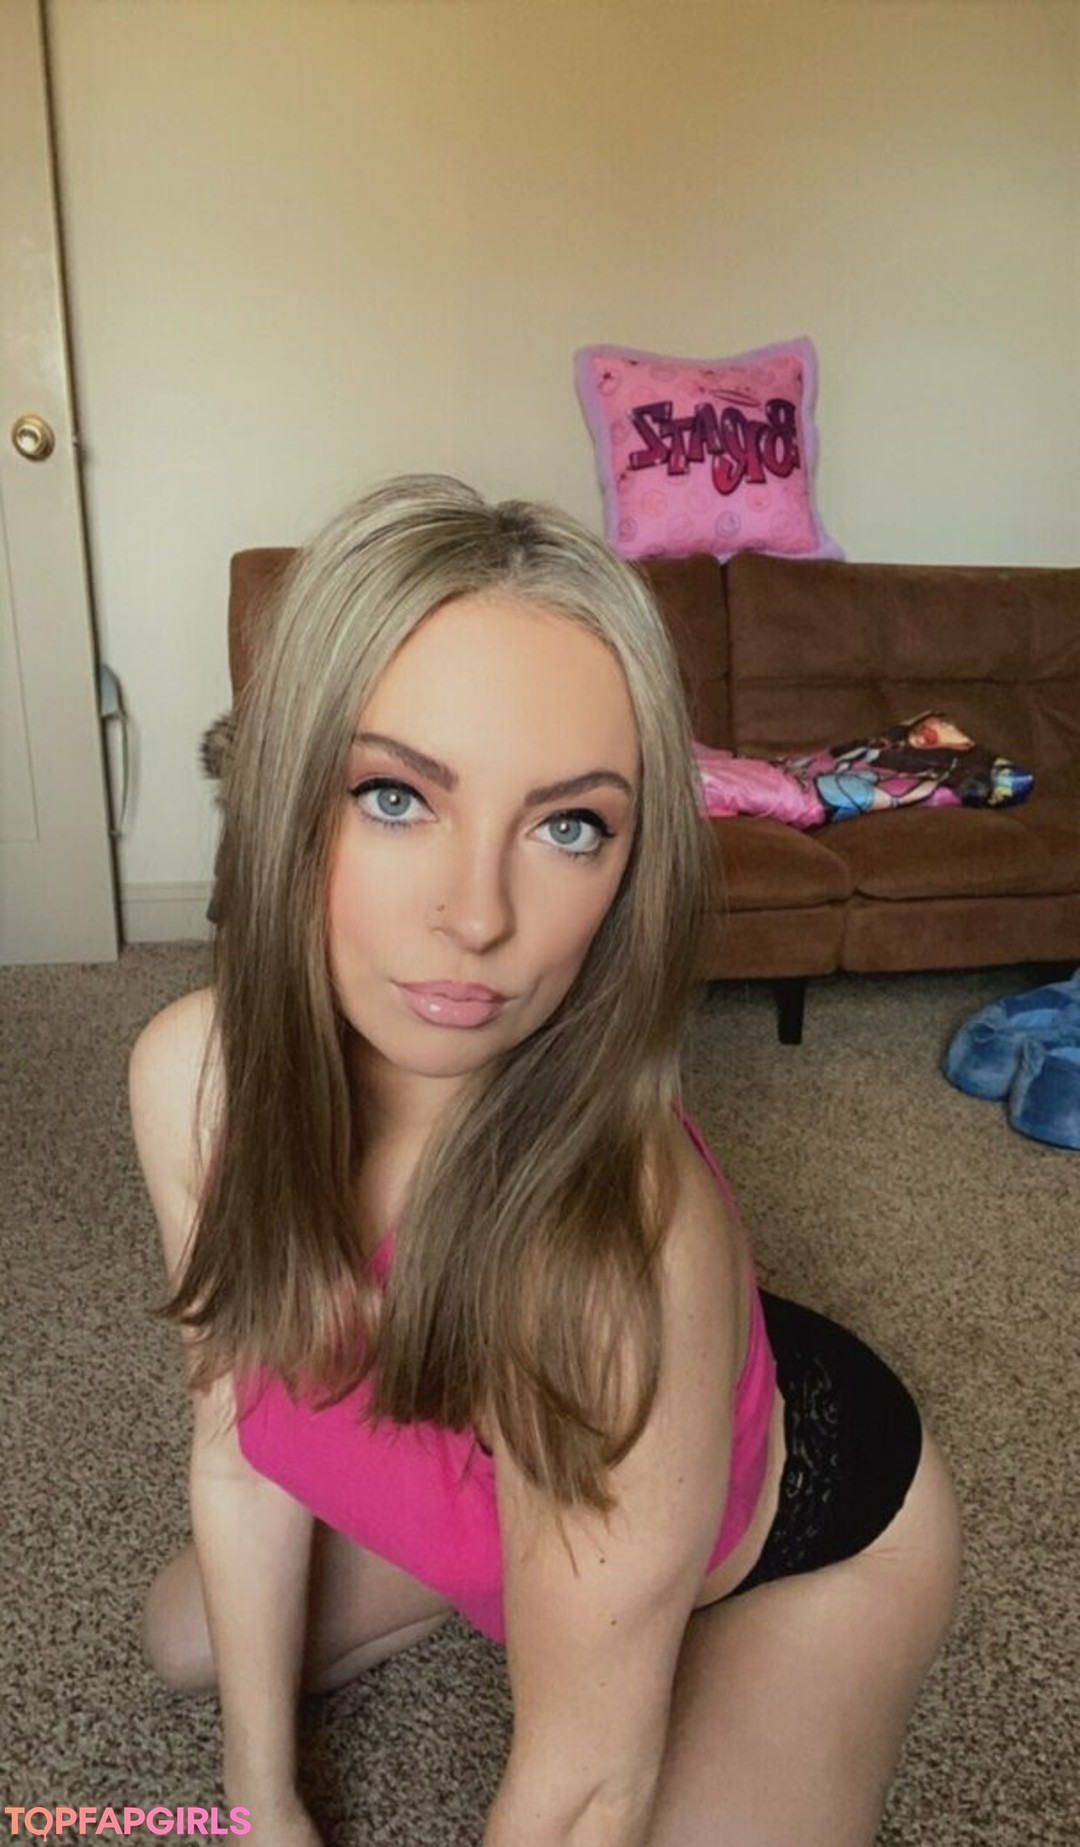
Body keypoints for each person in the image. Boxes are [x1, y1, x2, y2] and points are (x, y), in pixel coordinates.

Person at [130, 475, 961, 1847]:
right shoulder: (188, 1080)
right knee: (186, 1643)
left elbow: (580, 1792)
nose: (478, 916)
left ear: (632, 869)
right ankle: (544, 1548)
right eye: (395, 796)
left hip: (799, 1533)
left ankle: (609, 1558)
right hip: (565, 1398)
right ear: (287, 806)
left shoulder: (609, 1256)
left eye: (570, 825)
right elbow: (240, 1453)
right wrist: (259, 1804)